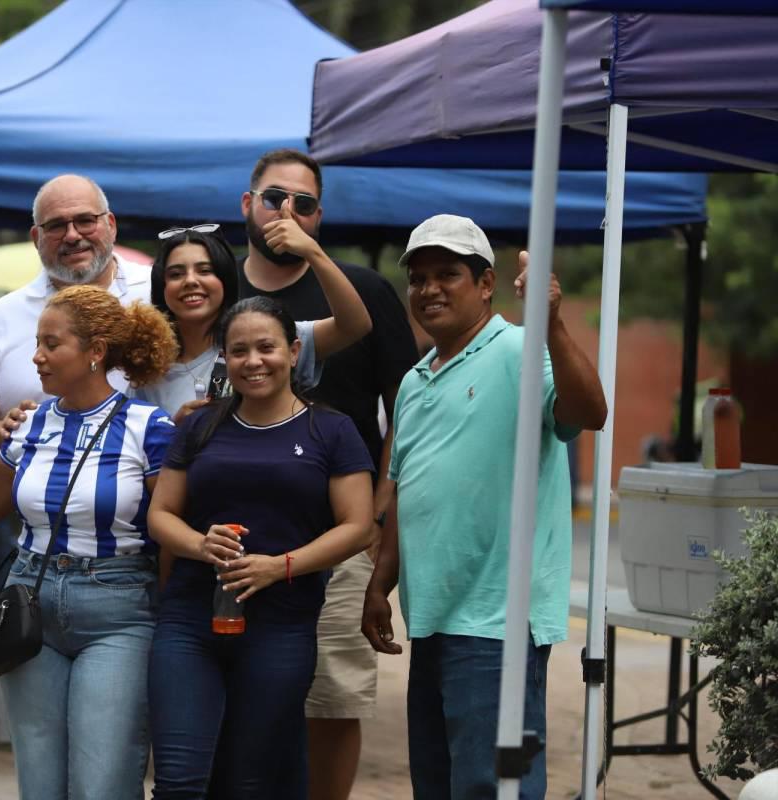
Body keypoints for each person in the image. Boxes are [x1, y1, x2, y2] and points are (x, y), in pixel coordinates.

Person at [361, 215, 607, 799]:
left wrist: (553, 326)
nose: (429, 290)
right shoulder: (415, 381)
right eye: (418, 279)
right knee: (441, 785)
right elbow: (405, 486)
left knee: (492, 787)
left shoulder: (523, 349)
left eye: (448, 274)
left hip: (499, 618)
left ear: (486, 282)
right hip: (435, 615)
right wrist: (381, 582)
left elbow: (590, 411)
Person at [236, 148, 418, 800]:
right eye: (273, 198)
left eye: (303, 203)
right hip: (235, 532)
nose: (287, 212)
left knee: (334, 694)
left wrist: (377, 510)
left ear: (320, 215)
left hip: (340, 531)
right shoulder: (216, 285)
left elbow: (408, 407)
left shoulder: (362, 290)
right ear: (245, 206)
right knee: (237, 688)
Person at [0, 285, 177, 800]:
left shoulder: (151, 428)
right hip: (29, 600)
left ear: (95, 351)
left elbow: (168, 532)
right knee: (40, 781)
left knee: (103, 781)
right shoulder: (29, 423)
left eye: (51, 344)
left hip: (119, 609)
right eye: (37, 342)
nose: (37, 356)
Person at [146, 296, 374, 799]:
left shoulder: (330, 429)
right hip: (189, 620)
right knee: (179, 782)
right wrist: (200, 544)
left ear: (294, 351)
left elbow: (358, 526)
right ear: (224, 359)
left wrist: (280, 567)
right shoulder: (200, 425)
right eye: (238, 350)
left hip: (282, 623)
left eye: (266, 347)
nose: (253, 361)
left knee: (251, 782)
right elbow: (161, 515)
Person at [0, 174, 152, 462]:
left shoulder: (157, 292)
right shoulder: (2, 316)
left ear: (110, 225)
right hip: (30, 499)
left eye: (85, 220)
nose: (72, 236)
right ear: (36, 238)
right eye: (56, 226)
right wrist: (7, 430)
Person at [134, 221, 369, 418]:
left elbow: (354, 325)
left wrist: (313, 252)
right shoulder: (147, 370)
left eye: (205, 271)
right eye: (176, 274)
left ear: (225, 280)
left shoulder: (264, 339)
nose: (191, 281)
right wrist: (174, 433)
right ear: (161, 287)